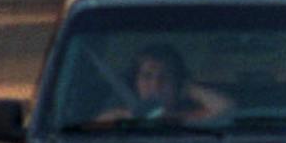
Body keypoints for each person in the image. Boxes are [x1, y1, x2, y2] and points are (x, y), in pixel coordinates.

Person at [95, 43, 232, 126]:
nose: (155, 84)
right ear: (135, 82)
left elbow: (226, 110)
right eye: (147, 76)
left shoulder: (189, 118)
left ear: (177, 84)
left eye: (165, 77)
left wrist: (189, 89)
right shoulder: (121, 118)